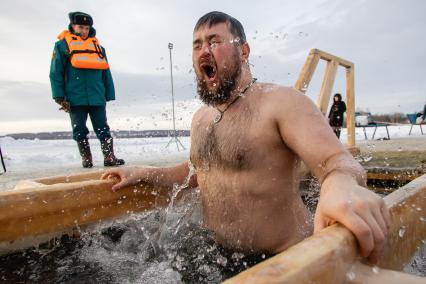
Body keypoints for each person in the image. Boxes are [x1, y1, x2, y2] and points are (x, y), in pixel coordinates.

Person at [102, 11, 390, 275]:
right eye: (197, 44)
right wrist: (144, 172)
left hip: (285, 260)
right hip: (218, 257)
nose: (204, 50)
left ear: (244, 50)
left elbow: (337, 162)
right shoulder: (201, 118)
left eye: (215, 41)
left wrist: (340, 186)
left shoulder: (281, 103)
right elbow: (194, 173)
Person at [49, 12, 124, 168]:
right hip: (75, 98)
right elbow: (55, 72)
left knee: (103, 128)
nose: (84, 31)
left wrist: (109, 93)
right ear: (73, 26)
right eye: (80, 27)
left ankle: (109, 157)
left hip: (97, 95)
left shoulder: (99, 48)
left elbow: (106, 72)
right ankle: (87, 158)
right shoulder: (62, 46)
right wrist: (59, 96)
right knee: (79, 130)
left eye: (87, 27)